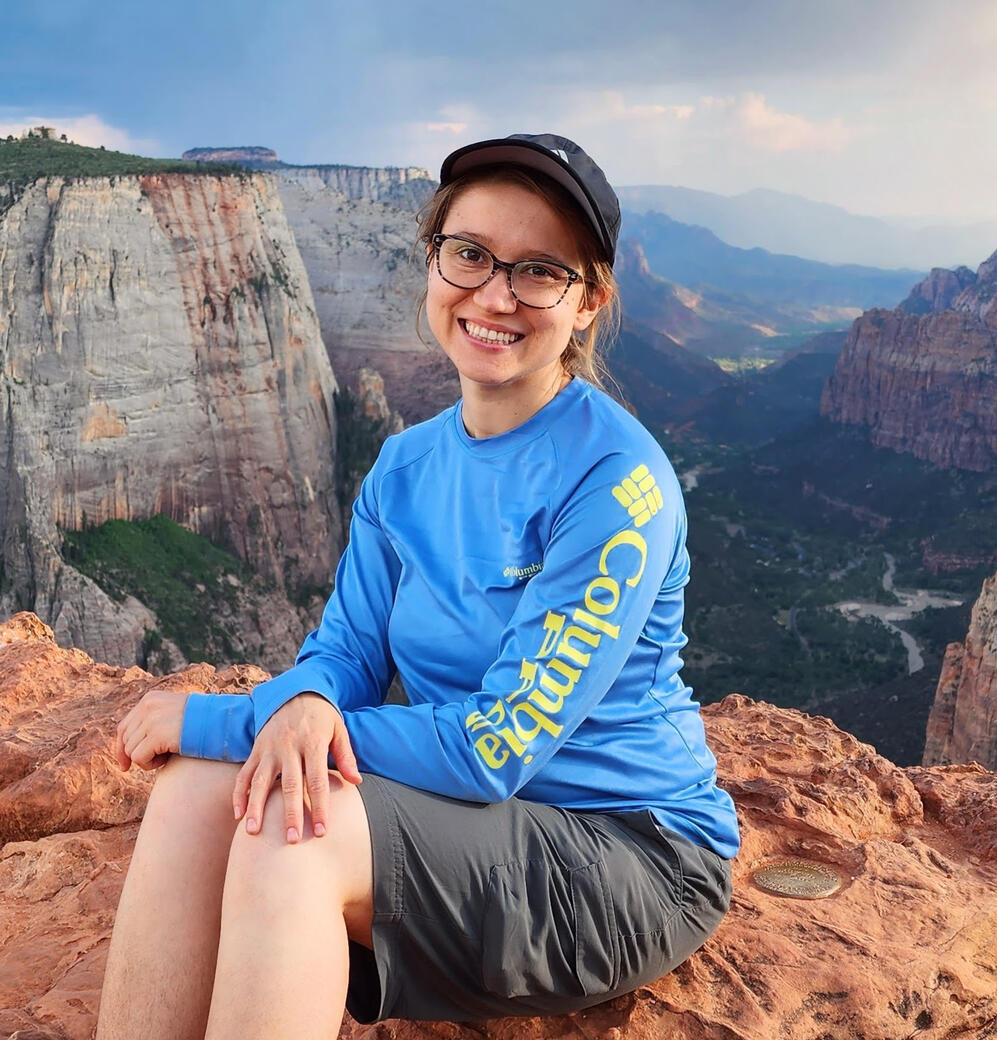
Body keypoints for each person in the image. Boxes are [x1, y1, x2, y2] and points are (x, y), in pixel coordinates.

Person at [97, 132, 740, 1040]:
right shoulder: (404, 466)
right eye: (469, 254)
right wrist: (306, 703)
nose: (493, 295)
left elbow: (493, 745)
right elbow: (346, 651)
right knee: (196, 797)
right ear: (434, 261)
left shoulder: (615, 484)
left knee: (293, 836)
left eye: (538, 271)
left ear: (588, 300)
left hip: (623, 849)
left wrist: (227, 718)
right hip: (477, 823)